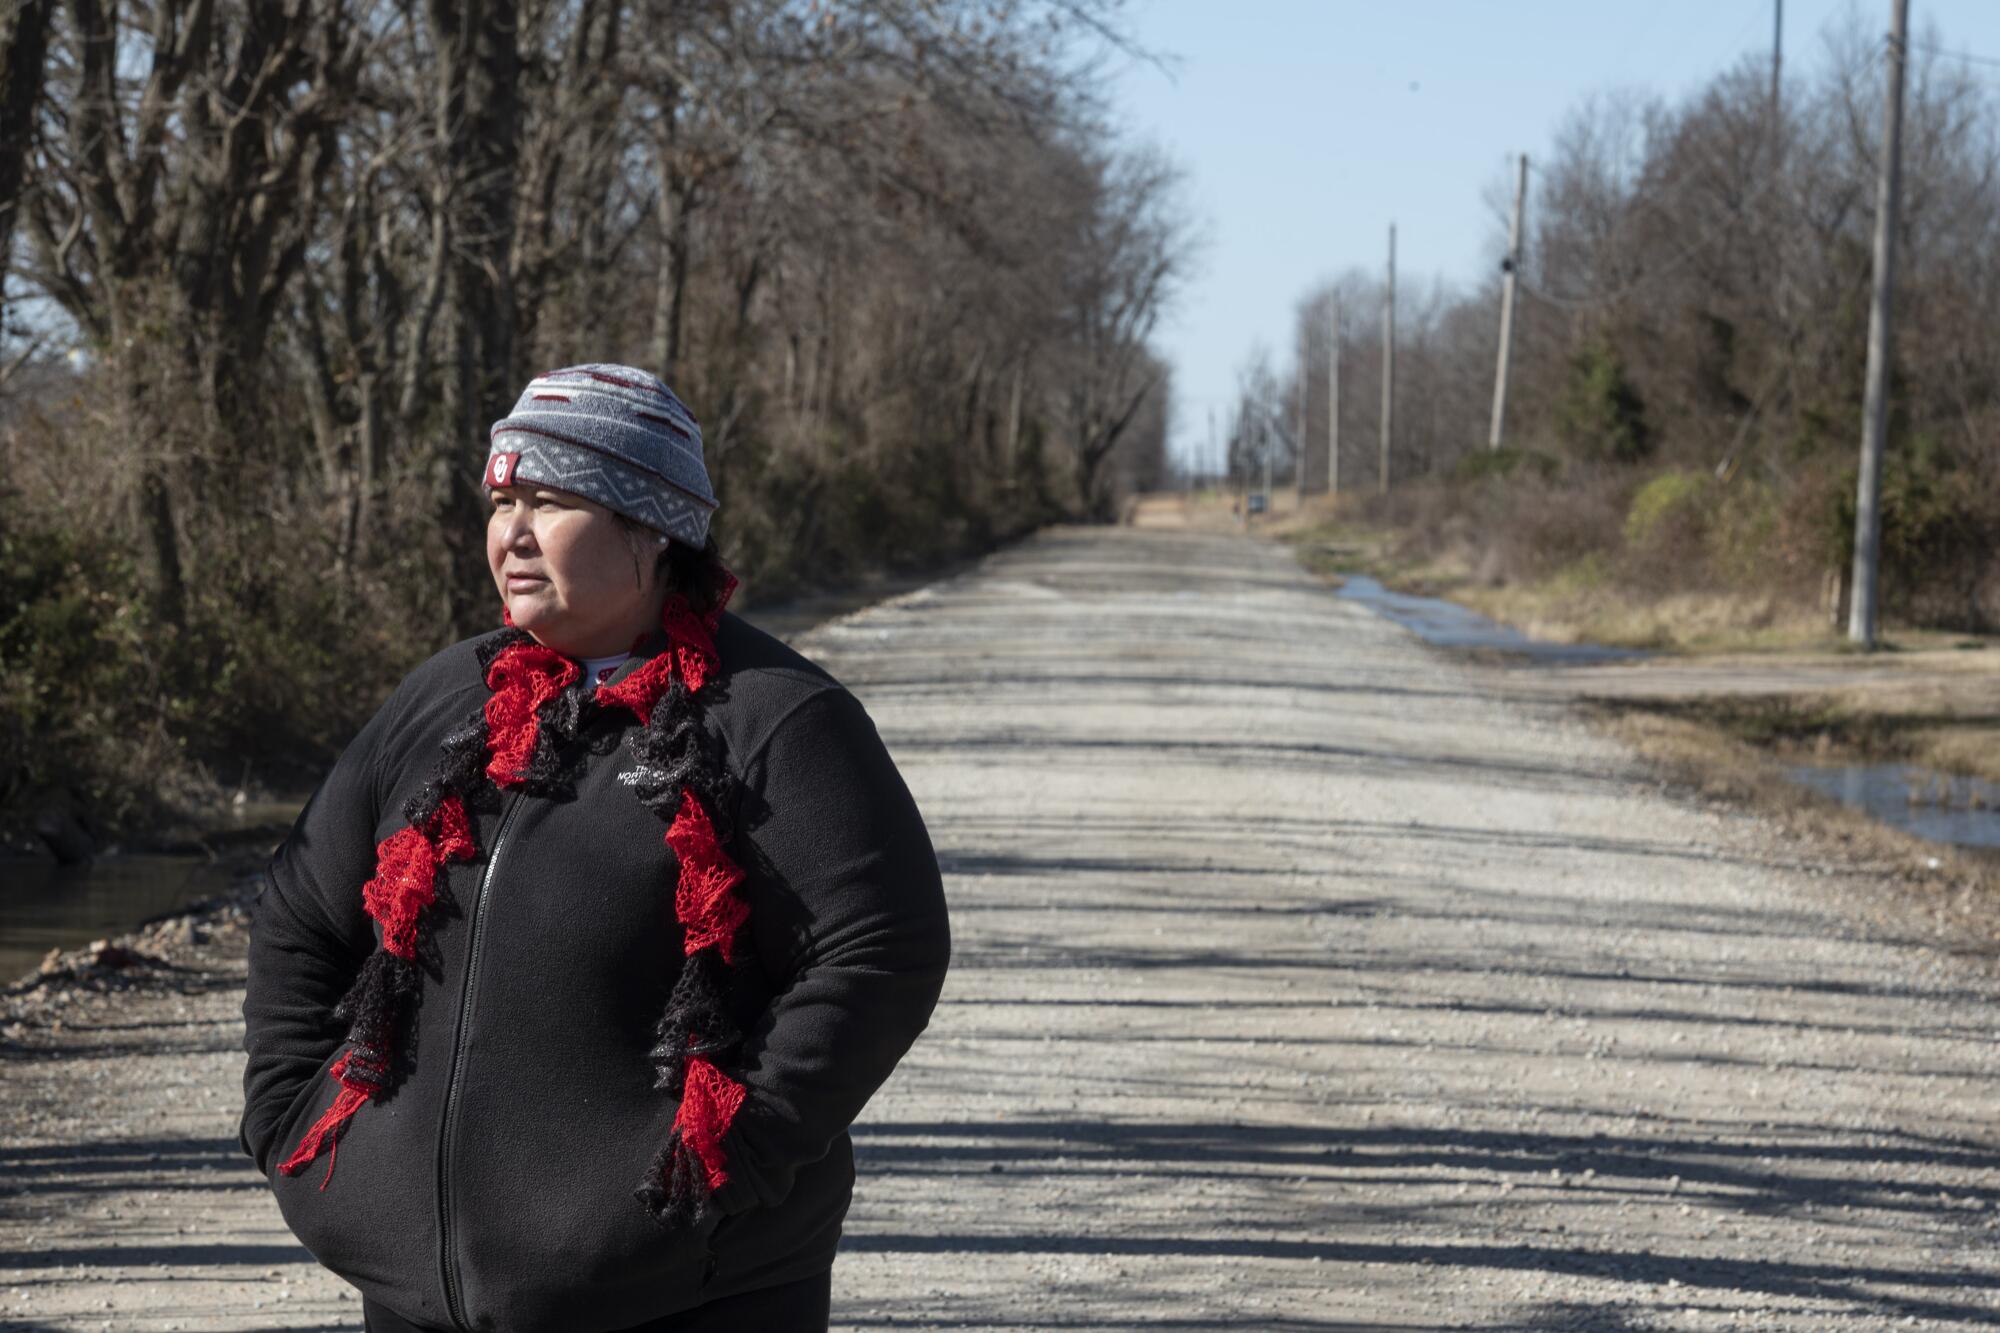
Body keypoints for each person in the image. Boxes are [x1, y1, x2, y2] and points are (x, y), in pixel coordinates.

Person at [237, 363, 951, 1333]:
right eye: (503, 499)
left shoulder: (776, 720)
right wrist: (291, 1115)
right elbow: (300, 910)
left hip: (687, 1289)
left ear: (653, 530)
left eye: (554, 500)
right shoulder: (448, 700)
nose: (512, 533)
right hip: (416, 1297)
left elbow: (881, 950)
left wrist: (733, 1152)